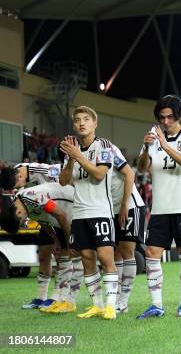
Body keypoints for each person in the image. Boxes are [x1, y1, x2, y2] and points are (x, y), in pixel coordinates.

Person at [136, 95, 181, 319]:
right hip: (160, 208)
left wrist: (164, 145)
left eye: (170, 117)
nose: (165, 121)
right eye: (162, 117)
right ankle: (156, 305)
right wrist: (146, 149)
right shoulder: (152, 138)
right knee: (152, 253)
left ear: (179, 116)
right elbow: (143, 168)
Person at [59, 105, 118, 320]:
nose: (81, 123)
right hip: (80, 212)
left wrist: (78, 156)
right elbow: (64, 181)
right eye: (77, 120)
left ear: (95, 123)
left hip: (100, 211)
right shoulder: (71, 151)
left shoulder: (104, 146)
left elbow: (100, 174)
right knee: (86, 257)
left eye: (86, 119)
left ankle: (111, 306)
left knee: (105, 256)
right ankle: (97, 305)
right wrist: (72, 158)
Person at [0, 183, 75, 313]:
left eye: (21, 221)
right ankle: (53, 298)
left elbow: (61, 215)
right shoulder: (21, 204)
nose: (24, 222)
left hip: (74, 209)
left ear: (18, 212)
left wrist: (70, 241)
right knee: (58, 253)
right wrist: (56, 240)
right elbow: (42, 221)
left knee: (68, 253)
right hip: (59, 218)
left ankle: (61, 299)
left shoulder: (34, 198)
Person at [110, 145, 146, 313]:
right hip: (112, 209)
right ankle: (115, 299)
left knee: (126, 251)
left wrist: (125, 204)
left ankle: (123, 300)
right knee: (115, 253)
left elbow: (130, 174)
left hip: (130, 205)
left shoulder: (107, 150)